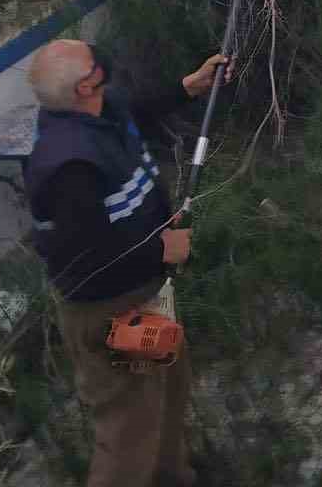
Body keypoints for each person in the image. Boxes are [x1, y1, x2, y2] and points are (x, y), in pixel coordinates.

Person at [24, 39, 226, 487]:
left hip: (143, 293)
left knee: (167, 393)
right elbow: (87, 257)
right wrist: (161, 250)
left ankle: (173, 478)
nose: (103, 61)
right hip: (111, 310)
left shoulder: (97, 110)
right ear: (85, 85)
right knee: (130, 428)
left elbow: (131, 108)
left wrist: (188, 88)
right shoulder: (68, 167)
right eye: (95, 61)